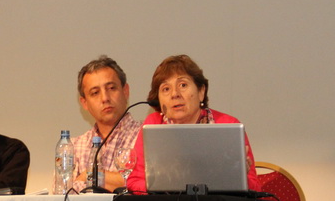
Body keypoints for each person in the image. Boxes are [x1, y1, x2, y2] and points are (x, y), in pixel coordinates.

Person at [126, 55, 259, 193]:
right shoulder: (153, 124)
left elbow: (255, 188)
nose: (175, 94)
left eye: (183, 85)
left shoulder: (228, 125)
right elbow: (133, 181)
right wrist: (165, 187)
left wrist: (239, 179)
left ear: (201, 92)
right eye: (166, 89)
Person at [70, 56, 142, 193]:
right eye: (95, 93)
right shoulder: (73, 147)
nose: (105, 98)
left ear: (125, 91)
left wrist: (89, 176)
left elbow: (144, 185)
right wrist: (116, 181)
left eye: (111, 88)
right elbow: (64, 192)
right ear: (84, 103)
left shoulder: (146, 136)